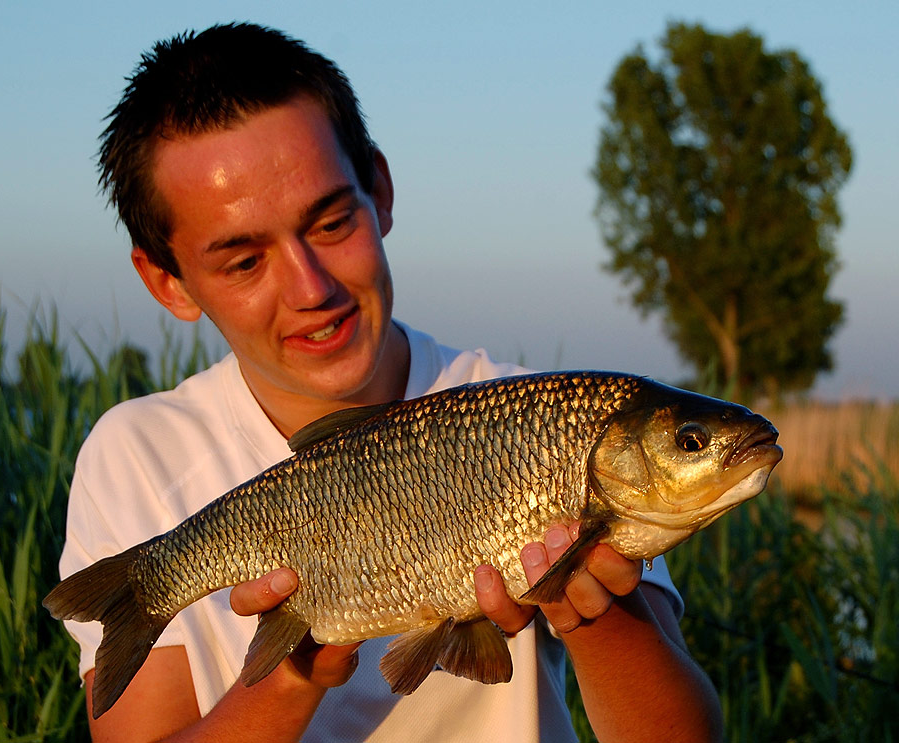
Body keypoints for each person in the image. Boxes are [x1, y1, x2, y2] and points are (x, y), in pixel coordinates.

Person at [57, 22, 723, 742]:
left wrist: (591, 615)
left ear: (380, 190)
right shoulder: (136, 453)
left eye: (332, 222)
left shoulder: (541, 419)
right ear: (167, 280)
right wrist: (294, 670)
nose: (309, 287)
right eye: (244, 261)